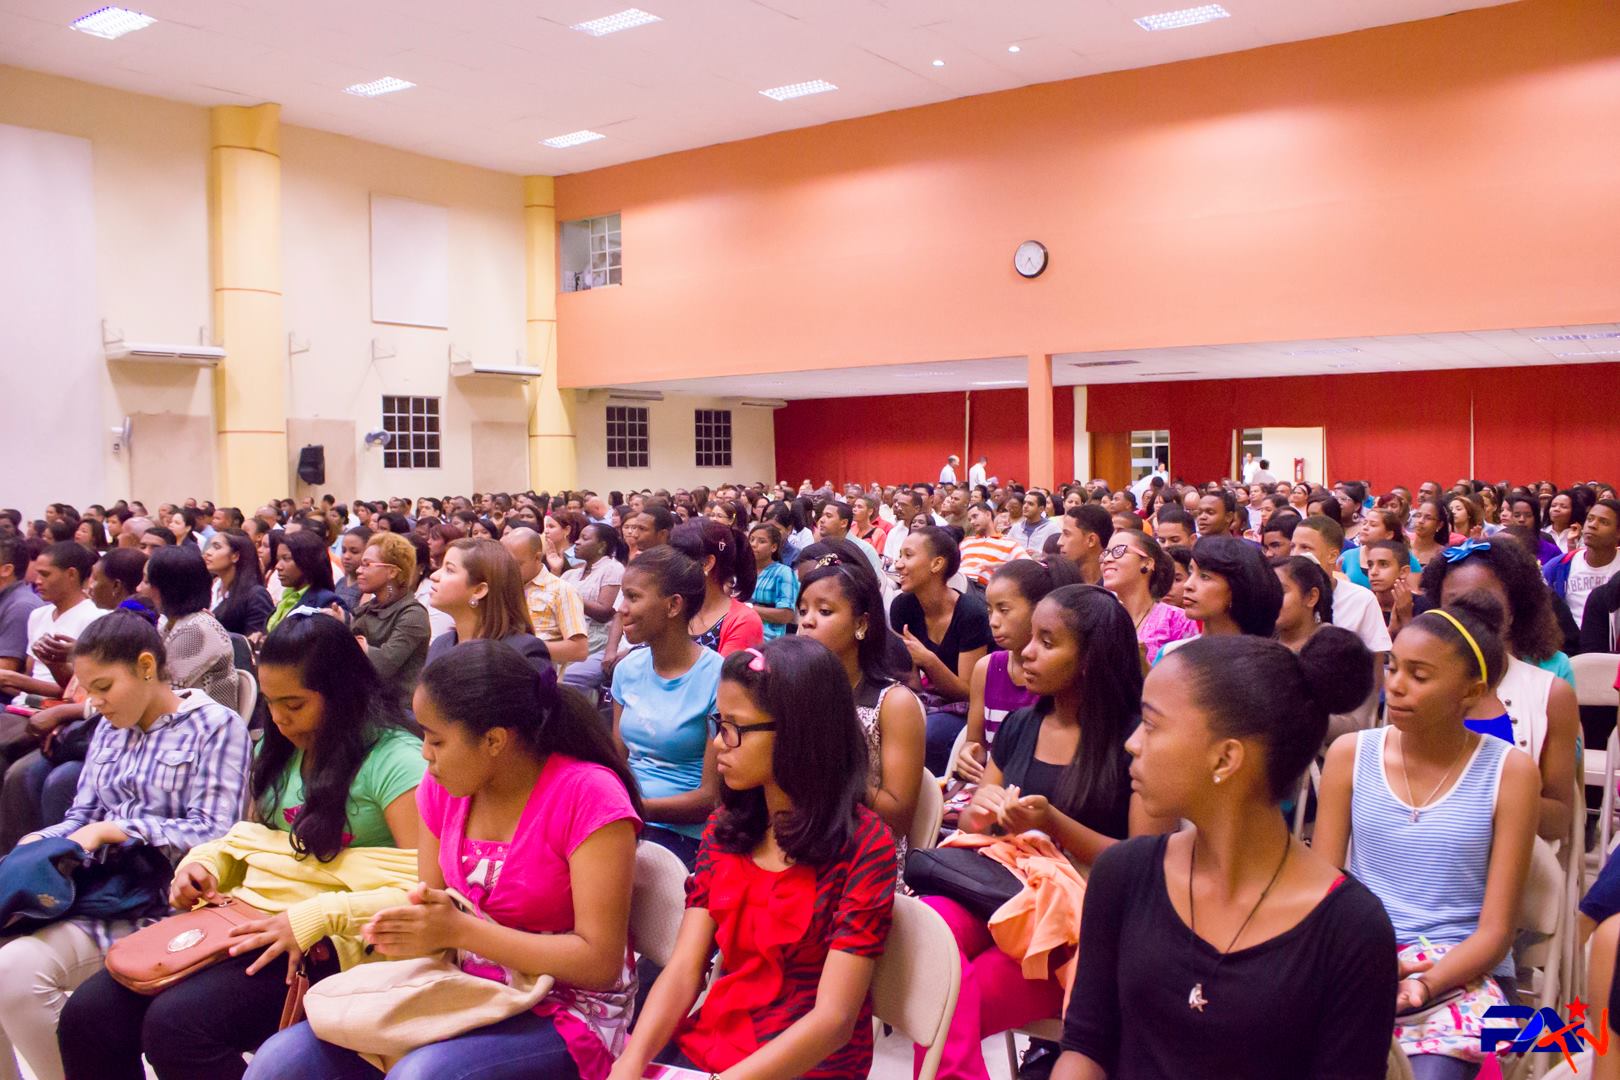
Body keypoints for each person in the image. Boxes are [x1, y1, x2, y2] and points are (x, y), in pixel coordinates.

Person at [248, 639, 642, 1080]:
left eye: (436, 739)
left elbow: (599, 963)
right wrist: (408, 930)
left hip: (570, 1007)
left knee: (422, 1076)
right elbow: (436, 907)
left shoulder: (587, 795)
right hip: (467, 986)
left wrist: (462, 930)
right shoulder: (444, 788)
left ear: (494, 740)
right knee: (281, 1062)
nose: (424, 755)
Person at [57, 612, 424, 1080]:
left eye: (294, 704)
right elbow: (250, 840)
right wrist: (205, 864)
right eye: (270, 703)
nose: (279, 719)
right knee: (89, 1017)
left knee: (178, 1026)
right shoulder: (282, 750)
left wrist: (314, 917)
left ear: (344, 692)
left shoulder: (396, 760)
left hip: (331, 939)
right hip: (249, 917)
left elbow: (425, 887)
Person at [1052, 632, 1391, 1080]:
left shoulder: (1350, 931)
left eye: (1152, 725)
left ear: (1225, 759)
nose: (1132, 742)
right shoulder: (1124, 875)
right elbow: (1086, 1046)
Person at [608, 636, 895, 1080]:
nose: (719, 744)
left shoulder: (864, 846)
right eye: (717, 724)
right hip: (716, 1047)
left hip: (805, 1066)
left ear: (799, 733)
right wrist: (630, 1060)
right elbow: (685, 969)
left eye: (733, 728)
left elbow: (833, 1022)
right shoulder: (729, 827)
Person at [924, 585, 1176, 1080]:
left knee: (957, 996)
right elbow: (979, 815)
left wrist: (1053, 824)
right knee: (926, 936)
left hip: (1076, 922)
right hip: (1003, 889)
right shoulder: (1021, 724)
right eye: (1030, 638)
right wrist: (984, 812)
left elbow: (1145, 864)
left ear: (1090, 659)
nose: (1026, 652)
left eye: (1047, 641)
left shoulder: (1135, 741)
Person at [0, 612, 250, 1080]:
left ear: (147, 666)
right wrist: (38, 842)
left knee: (15, 974)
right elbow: (82, 818)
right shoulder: (110, 728)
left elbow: (221, 835)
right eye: (88, 689)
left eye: (103, 687)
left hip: (166, 903)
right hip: (100, 893)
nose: (93, 702)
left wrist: (123, 830)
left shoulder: (216, 726)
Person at [1315, 606, 1540, 1080]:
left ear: (1470, 693)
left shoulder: (1510, 772)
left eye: (1419, 676)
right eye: (1393, 666)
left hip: (1464, 970)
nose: (1395, 684)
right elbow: (1322, 891)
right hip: (1362, 954)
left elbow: (1495, 932)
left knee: (1431, 1073)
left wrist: (1425, 984)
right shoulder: (1351, 755)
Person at [1419, 540, 1580, 842]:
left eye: (1483, 603)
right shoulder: (1416, 683)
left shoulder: (1551, 695)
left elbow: (1557, 821)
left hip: (1517, 858)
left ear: (1514, 610)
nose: (1469, 618)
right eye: (1455, 606)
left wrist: (1473, 802)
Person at [795, 554, 924, 853]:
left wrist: (827, 772)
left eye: (824, 611)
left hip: (863, 854)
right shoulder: (797, 691)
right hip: (800, 835)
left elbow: (900, 817)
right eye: (803, 611)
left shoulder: (893, 703)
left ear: (862, 623)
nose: (807, 621)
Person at [612, 545, 723, 867]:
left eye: (633, 597)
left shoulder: (717, 677)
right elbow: (618, 762)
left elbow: (709, 798)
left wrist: (628, 808)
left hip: (681, 834)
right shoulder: (628, 669)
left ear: (674, 605)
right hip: (627, 818)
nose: (621, 608)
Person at [948, 558, 1080, 816]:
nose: (993, 621)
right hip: (988, 795)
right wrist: (968, 754)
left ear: (1040, 610)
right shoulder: (986, 669)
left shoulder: (1055, 678)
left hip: (1037, 803)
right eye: (989, 610)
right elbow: (976, 742)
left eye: (1004, 610)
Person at [891, 526, 993, 775]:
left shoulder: (971, 614)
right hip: (925, 698)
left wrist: (929, 660)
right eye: (899, 556)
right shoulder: (902, 606)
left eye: (908, 556)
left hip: (966, 708)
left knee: (928, 735)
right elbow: (912, 682)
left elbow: (967, 693)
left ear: (936, 564)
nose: (898, 564)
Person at [425, 538, 552, 673]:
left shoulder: (522, 651)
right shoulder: (441, 644)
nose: (434, 575)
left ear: (479, 590)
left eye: (449, 570)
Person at [142, 545, 239, 710]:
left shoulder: (197, 630)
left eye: (146, 581)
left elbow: (162, 692)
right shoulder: (168, 621)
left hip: (205, 727)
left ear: (166, 589)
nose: (139, 588)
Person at [349, 531, 432, 710]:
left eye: (367, 565)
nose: (358, 570)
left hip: (396, 713)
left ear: (392, 571)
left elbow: (384, 665)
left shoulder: (413, 614)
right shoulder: (370, 607)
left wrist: (359, 646)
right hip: (365, 704)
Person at [1101, 529, 1197, 667]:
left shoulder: (1178, 621)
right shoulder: (1101, 618)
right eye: (1106, 553)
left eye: (1119, 551)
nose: (1107, 559)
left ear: (1147, 563)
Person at [1171, 536, 1284, 652]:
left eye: (1205, 577)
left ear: (1238, 589)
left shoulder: (1268, 662)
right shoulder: (1172, 653)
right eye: (1191, 572)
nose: (1188, 585)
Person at [671, 519, 763, 657]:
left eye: (680, 558)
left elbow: (724, 676)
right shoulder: (674, 608)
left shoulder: (742, 621)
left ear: (707, 563)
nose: (670, 565)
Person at [501, 528, 590, 666]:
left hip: (540, 673)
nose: (510, 569)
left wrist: (526, 647)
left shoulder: (561, 591)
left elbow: (579, 650)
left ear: (537, 557)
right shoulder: (501, 587)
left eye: (517, 564)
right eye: (506, 563)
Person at [560, 522, 628, 692]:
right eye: (578, 538)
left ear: (602, 546)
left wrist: (571, 596)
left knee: (561, 680)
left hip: (596, 639)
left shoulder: (612, 569)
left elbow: (605, 612)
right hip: (566, 634)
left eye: (584, 538)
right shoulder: (571, 573)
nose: (577, 542)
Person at [1546, 498, 1620, 634]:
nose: (1592, 525)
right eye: (1590, 519)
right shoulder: (1559, 566)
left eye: (1603, 522)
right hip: (1569, 646)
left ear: (1618, 533)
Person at [264, 531, 346, 637]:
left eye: (286, 559)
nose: (278, 566)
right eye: (278, 559)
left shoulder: (326, 601)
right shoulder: (287, 596)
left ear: (306, 561)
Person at [205, 530, 274, 638]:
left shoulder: (255, 595)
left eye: (217, 547)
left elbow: (255, 642)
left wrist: (213, 625)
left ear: (235, 556)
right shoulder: (212, 586)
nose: (208, 552)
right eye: (210, 546)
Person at [747, 522, 800, 642]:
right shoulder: (742, 570)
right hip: (739, 631)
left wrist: (749, 608)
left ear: (774, 547)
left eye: (761, 541)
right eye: (752, 540)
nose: (754, 545)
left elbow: (786, 614)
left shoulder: (783, 573)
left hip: (768, 638)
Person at [958, 502, 1025, 589]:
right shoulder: (966, 542)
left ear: (988, 514)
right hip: (959, 582)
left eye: (975, 516)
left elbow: (1029, 566)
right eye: (970, 520)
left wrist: (995, 565)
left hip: (983, 588)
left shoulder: (1009, 544)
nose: (972, 522)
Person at [1059, 505, 1114, 585]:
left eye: (1067, 534)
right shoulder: (1056, 582)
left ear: (1091, 540)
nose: (1059, 542)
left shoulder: (1116, 589)